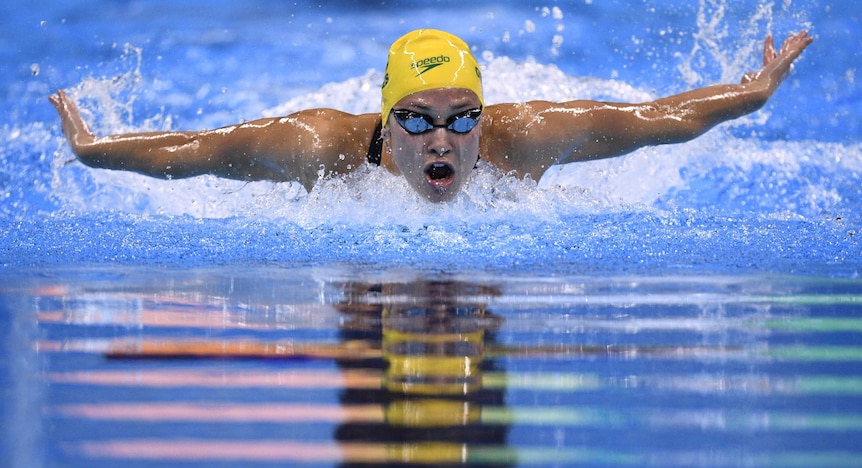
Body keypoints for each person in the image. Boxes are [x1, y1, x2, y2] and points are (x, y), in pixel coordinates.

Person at [50, 28, 812, 203]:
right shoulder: (319, 146)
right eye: (415, 120)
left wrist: (754, 92)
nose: (443, 140)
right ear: (386, 123)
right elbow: (196, 150)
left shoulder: (524, 137)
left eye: (461, 117)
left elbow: (659, 118)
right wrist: (93, 149)